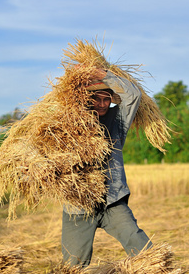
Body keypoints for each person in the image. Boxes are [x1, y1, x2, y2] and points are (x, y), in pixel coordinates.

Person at [61, 67, 152, 267]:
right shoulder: (67, 124)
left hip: (113, 201)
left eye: (106, 98)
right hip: (78, 207)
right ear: (86, 99)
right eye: (97, 99)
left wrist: (102, 74)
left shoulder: (117, 120)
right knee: (72, 267)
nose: (102, 104)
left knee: (145, 252)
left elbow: (133, 95)